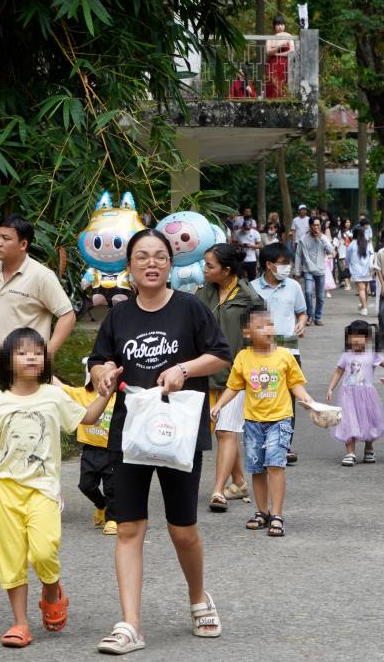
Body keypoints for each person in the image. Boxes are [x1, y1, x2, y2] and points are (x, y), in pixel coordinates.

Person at [88, 229, 231, 654]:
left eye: (159, 257)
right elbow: (99, 360)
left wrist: (184, 370)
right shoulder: (118, 316)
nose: (151, 263)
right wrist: (103, 373)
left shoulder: (190, 308)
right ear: (128, 265)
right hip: (130, 433)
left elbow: (221, 353)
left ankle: (197, 597)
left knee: (182, 528)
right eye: (142, 257)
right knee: (129, 526)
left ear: (170, 264)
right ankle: (130, 624)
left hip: (180, 433)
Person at [0, 328, 113, 648]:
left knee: (43, 550)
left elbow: (85, 418)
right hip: (6, 489)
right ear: (7, 361)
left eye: (37, 352)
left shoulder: (54, 396)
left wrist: (104, 395)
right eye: (23, 352)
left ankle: (52, 589)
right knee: (11, 557)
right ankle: (20, 623)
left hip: (43, 488)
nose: (31, 357)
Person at [212, 305, 313, 538]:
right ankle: (262, 512)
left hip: (280, 419)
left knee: (275, 465)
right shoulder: (243, 357)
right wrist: (219, 405)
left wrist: (307, 400)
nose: (267, 329)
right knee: (257, 468)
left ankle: (277, 514)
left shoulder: (285, 355)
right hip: (253, 422)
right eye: (260, 326)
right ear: (247, 332)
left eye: (270, 324)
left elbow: (295, 384)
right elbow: (233, 387)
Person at [0, 214, 76, 404]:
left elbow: (67, 316)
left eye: (6, 238)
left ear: (23, 244)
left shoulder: (41, 276)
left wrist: (45, 356)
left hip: (24, 378)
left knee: (21, 432)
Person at [196, 244, 261, 513]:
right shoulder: (202, 294)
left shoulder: (250, 298)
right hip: (207, 375)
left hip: (236, 377)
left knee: (225, 431)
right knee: (226, 430)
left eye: (210, 265)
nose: (204, 269)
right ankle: (239, 482)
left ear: (227, 270)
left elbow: (262, 336)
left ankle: (218, 491)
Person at [252, 243, 308, 465]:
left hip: (289, 351)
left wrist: (302, 324)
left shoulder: (293, 286)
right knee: (262, 397)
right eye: (284, 263)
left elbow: (302, 313)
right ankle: (261, 442)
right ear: (269, 264)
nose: (288, 267)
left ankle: (284, 446)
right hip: (259, 353)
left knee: (288, 400)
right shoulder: (252, 288)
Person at [61, 361, 118, 536]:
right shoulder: (82, 394)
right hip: (90, 450)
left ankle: (112, 518)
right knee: (86, 485)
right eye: (100, 369)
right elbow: (60, 388)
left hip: (112, 450)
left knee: (112, 488)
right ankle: (101, 505)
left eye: (110, 370)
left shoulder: (119, 395)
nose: (104, 374)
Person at [326, 320, 384, 466]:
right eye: (352, 336)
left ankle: (369, 448)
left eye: (360, 336)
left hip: (366, 396)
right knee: (348, 422)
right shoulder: (346, 355)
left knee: (368, 420)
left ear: (368, 338)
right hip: (348, 396)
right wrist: (331, 388)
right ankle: (350, 452)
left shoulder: (372, 355)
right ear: (348, 338)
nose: (356, 340)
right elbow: (338, 372)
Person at [296, 216, 334, 325]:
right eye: (314, 225)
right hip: (308, 269)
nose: (316, 227)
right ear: (310, 226)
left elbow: (331, 250)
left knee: (320, 296)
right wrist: (297, 271)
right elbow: (298, 256)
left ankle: (318, 317)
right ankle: (310, 316)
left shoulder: (323, 238)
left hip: (321, 270)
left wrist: (321, 237)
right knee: (308, 292)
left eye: (318, 225)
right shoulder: (303, 239)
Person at [346, 226, 374, 317]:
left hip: (356, 270)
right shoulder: (368, 243)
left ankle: (364, 308)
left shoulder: (352, 244)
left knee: (361, 289)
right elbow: (372, 254)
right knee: (365, 289)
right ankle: (363, 305)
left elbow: (348, 258)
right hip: (367, 270)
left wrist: (347, 266)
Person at [265, 14, 294, 99]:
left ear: (284, 25)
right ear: (274, 26)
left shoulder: (289, 36)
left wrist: (277, 54)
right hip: (272, 65)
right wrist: (279, 46)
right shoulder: (270, 38)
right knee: (272, 85)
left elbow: (292, 51)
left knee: (284, 85)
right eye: (277, 25)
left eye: (282, 24)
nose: (280, 27)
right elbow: (268, 52)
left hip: (285, 64)